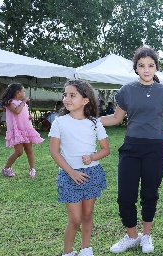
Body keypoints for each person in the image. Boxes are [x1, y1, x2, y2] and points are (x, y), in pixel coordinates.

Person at [100, 46, 163, 254]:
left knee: (149, 194)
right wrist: (88, 119)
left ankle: (146, 236)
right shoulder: (126, 90)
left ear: (156, 68)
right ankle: (131, 236)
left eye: (150, 65)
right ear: (136, 68)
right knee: (125, 195)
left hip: (155, 148)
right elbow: (116, 119)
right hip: (131, 147)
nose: (146, 70)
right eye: (142, 66)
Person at [49, 79, 110, 256]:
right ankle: (67, 252)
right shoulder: (59, 122)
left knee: (88, 214)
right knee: (75, 219)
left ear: (85, 100)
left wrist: (92, 157)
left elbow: (106, 150)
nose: (67, 98)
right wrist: (71, 172)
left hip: (92, 174)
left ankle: (86, 249)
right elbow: (55, 152)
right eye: (65, 95)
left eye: (72, 95)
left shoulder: (95, 123)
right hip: (69, 175)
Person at [0, 83, 44, 178]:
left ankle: (32, 169)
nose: (24, 93)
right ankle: (6, 168)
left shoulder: (22, 104)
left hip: (26, 128)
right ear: (18, 92)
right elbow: (16, 111)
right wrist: (24, 101)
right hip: (17, 130)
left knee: (29, 149)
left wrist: (29, 117)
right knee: (19, 151)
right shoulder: (9, 102)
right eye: (23, 91)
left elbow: (22, 114)